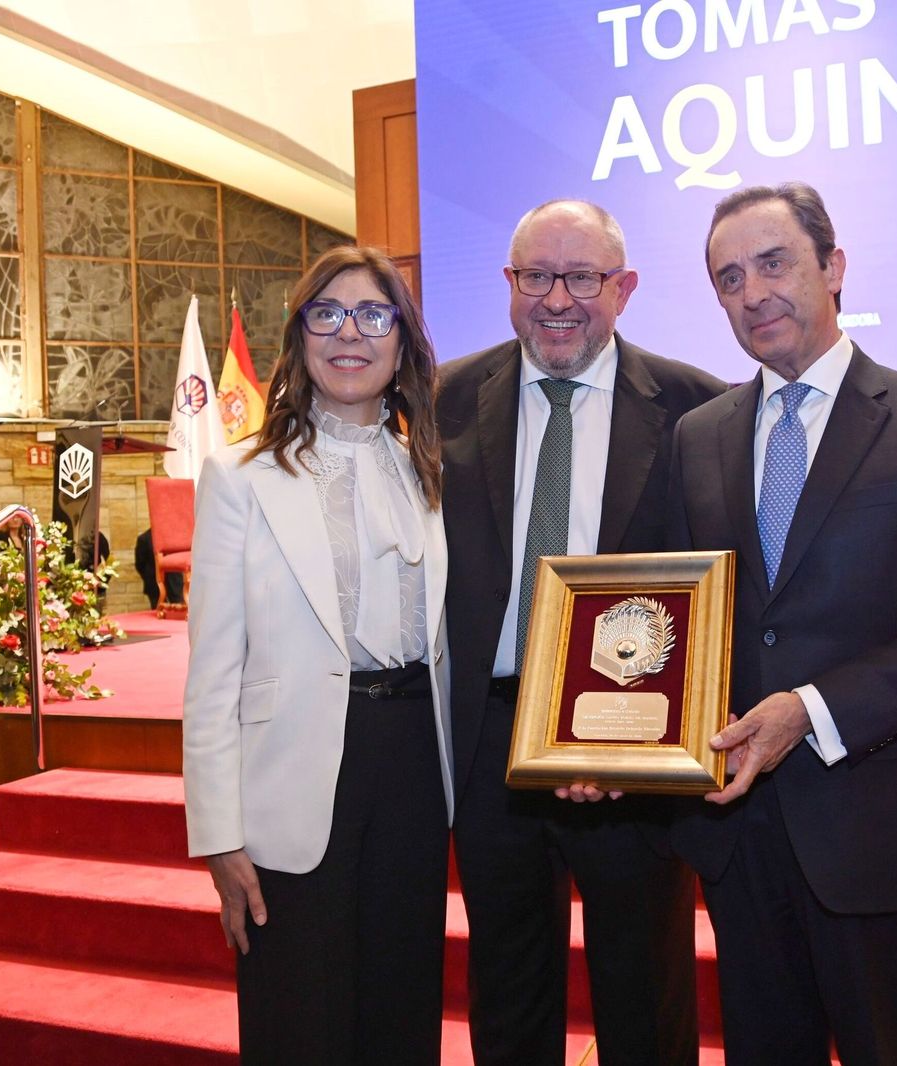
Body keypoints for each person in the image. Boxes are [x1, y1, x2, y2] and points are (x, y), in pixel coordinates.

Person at [667, 182, 897, 1065]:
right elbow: (680, 617)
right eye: (727, 278)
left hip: (878, 833)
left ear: (833, 267)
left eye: (773, 263)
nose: (751, 293)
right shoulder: (697, 436)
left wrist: (814, 709)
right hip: (741, 840)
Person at [437, 199, 727, 1066]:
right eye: (536, 276)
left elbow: (713, 590)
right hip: (492, 744)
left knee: (646, 997)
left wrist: (622, 739)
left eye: (583, 277)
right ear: (509, 285)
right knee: (510, 991)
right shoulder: (445, 398)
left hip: (632, 754)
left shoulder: (695, 410)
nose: (557, 299)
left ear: (624, 288)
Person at [181, 245, 453, 1065]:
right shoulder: (240, 475)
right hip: (297, 764)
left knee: (403, 1002)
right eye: (326, 314)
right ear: (300, 336)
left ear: (402, 342)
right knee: (301, 1014)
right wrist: (218, 834)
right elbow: (211, 673)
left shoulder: (429, 470)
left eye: (374, 315)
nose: (350, 333)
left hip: (411, 762)